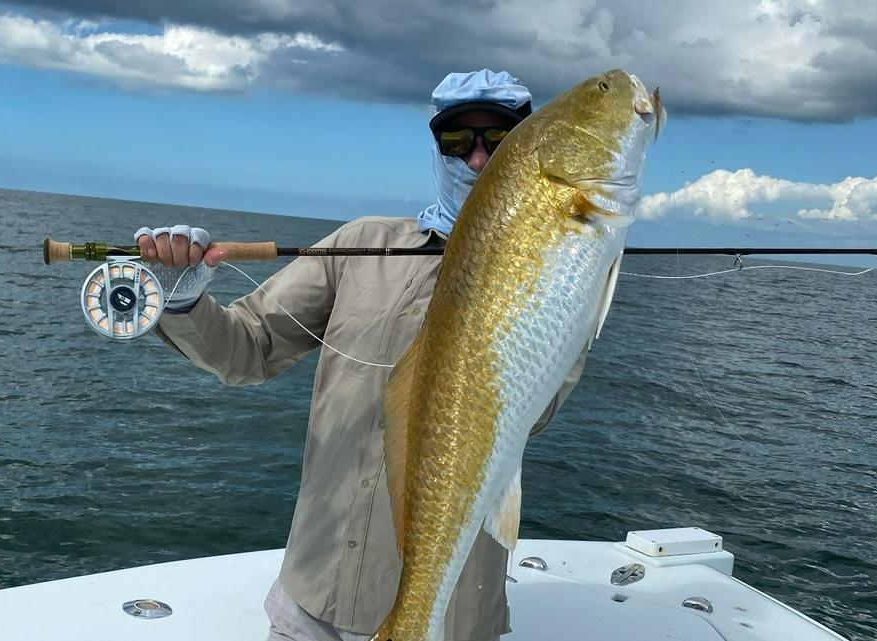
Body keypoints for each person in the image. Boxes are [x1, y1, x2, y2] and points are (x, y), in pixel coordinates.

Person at [135, 70, 588, 641]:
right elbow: (246, 349)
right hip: (312, 600)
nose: (476, 161)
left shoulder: (559, 273)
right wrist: (183, 298)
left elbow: (534, 414)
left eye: (497, 142)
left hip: (448, 622)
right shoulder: (360, 245)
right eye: (457, 142)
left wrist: (558, 268)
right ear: (437, 149)